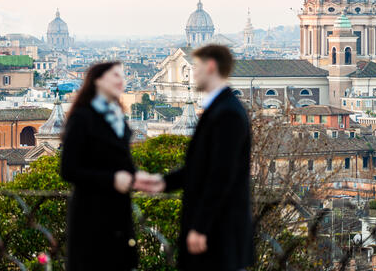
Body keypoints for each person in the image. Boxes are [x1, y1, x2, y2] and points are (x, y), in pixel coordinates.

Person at [135, 44, 254, 271]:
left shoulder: (227, 112)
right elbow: (201, 168)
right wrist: (162, 183)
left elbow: (220, 175)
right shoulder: (220, 109)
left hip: (218, 231)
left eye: (196, 67)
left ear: (210, 67)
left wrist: (200, 227)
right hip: (215, 229)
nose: (192, 73)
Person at [61, 61, 147, 270]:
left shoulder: (119, 119)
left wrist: (138, 177)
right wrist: (112, 179)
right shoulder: (82, 118)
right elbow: (68, 169)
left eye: (123, 76)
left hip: (118, 213)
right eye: (116, 75)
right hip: (91, 214)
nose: (122, 81)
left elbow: (121, 164)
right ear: (98, 81)